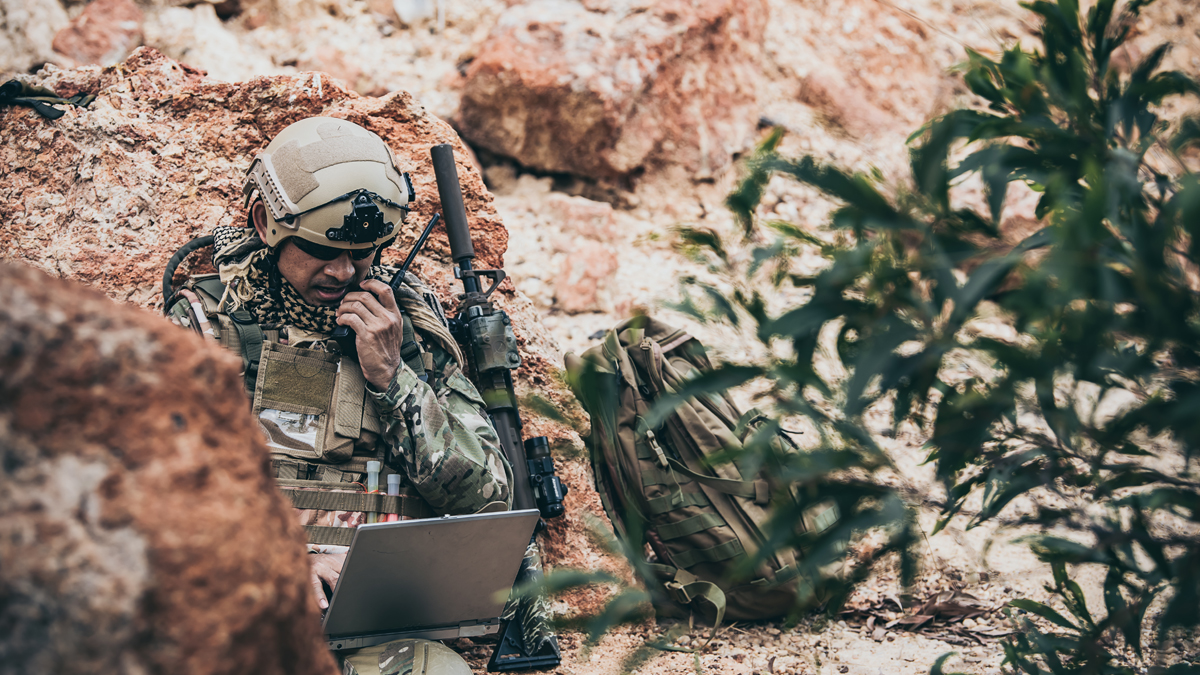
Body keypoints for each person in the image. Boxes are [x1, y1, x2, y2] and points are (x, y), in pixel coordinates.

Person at [166, 116, 511, 674]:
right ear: (265, 222)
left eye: (365, 252)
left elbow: (488, 499)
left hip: (381, 628)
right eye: (322, 250)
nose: (344, 271)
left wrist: (393, 378)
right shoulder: (210, 326)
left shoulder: (411, 331)